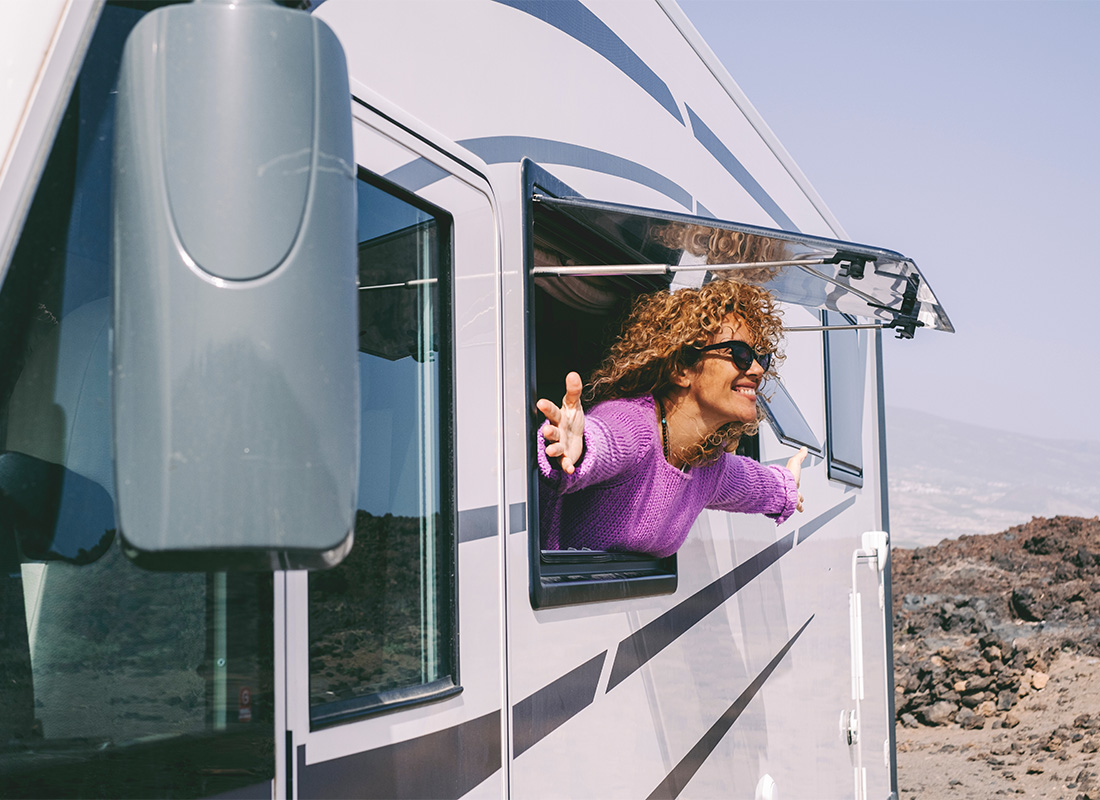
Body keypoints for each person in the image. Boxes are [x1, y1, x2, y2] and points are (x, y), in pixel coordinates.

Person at [536, 279, 807, 558]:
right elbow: (606, 440)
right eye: (740, 354)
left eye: (760, 359)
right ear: (681, 369)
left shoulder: (706, 465)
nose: (757, 370)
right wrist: (578, 446)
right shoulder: (635, 425)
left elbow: (755, 485)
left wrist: (785, 485)